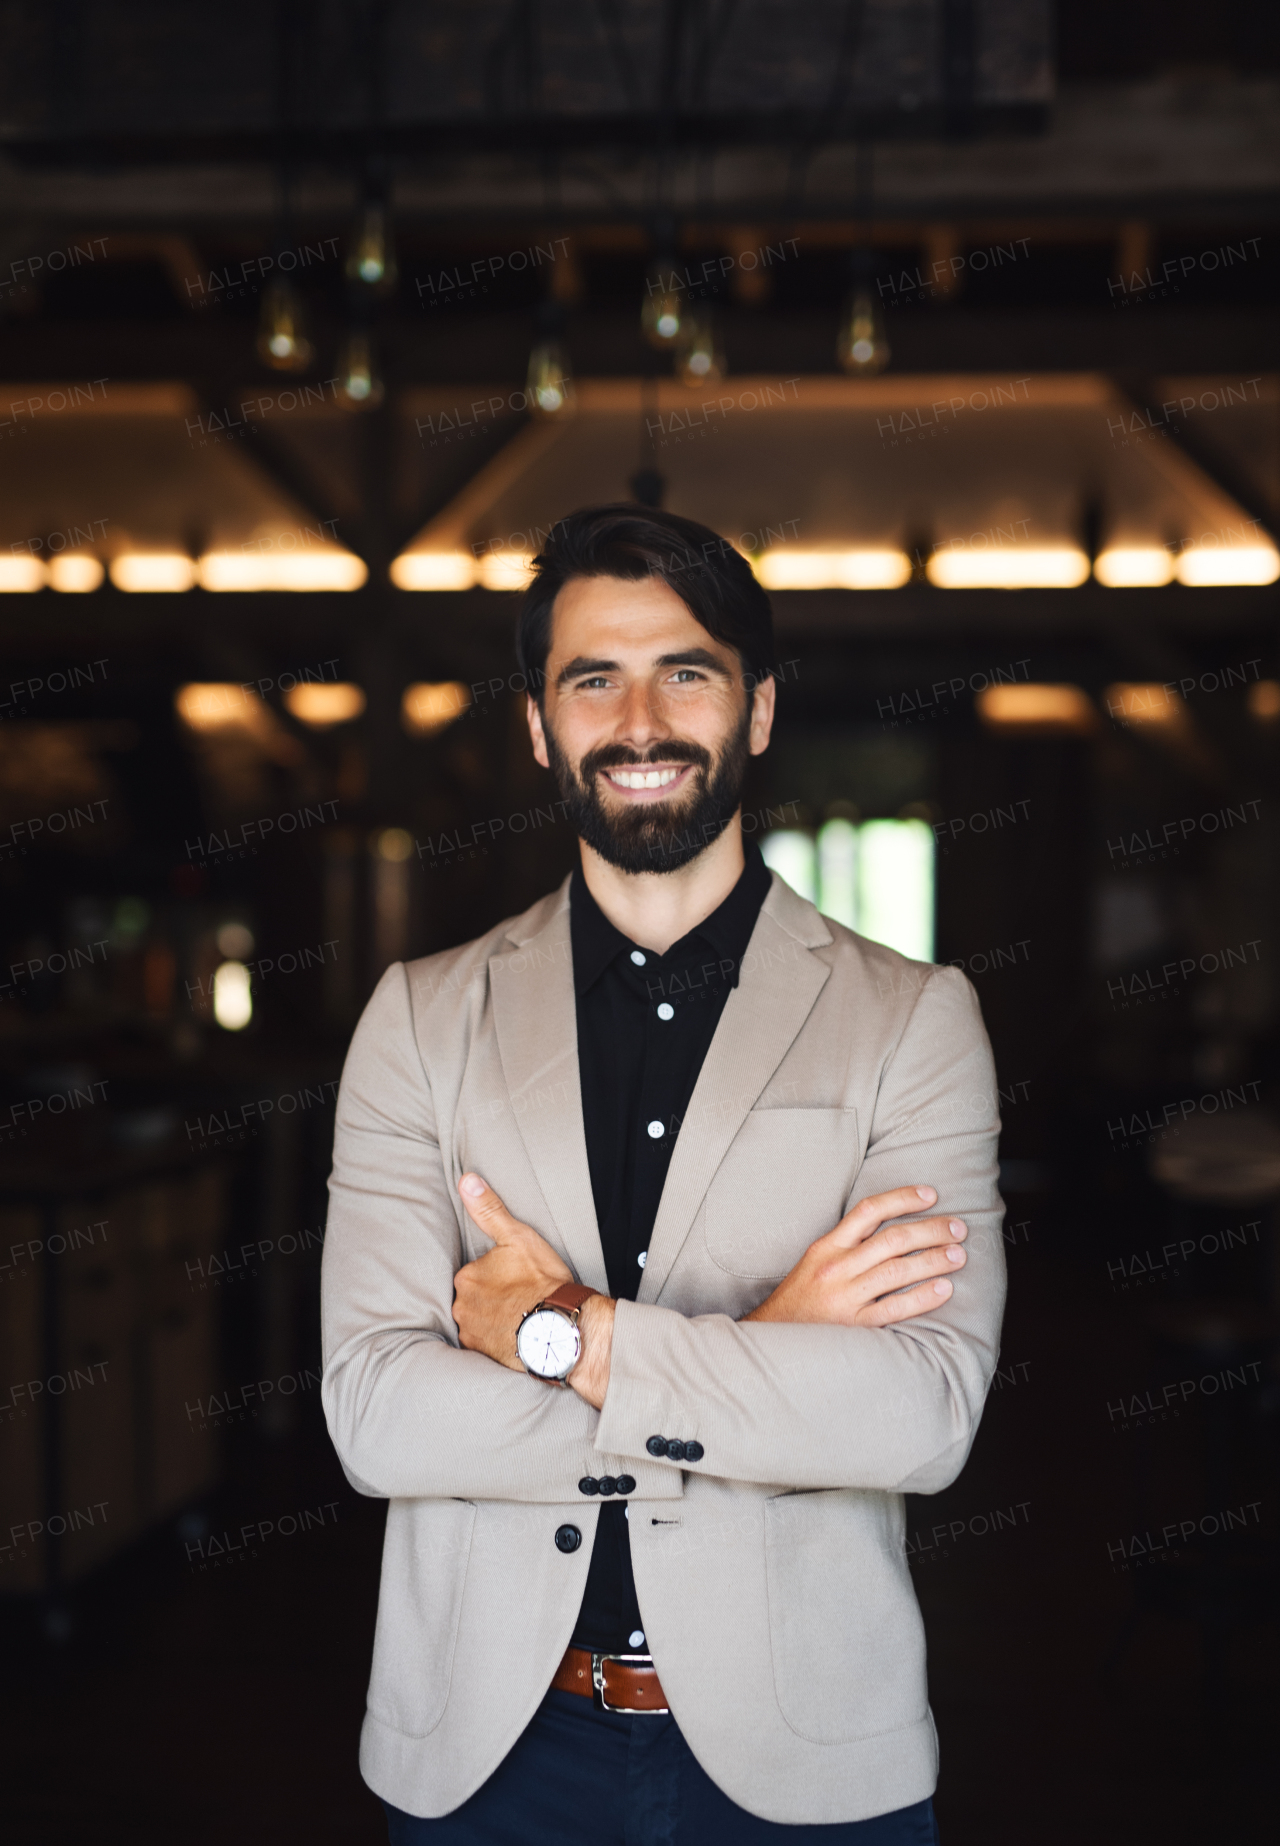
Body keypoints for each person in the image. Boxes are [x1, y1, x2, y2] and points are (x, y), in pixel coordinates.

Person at [321, 504, 1007, 1843]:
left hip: (810, 1757)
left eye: (686, 670)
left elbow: (922, 1415)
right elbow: (374, 1416)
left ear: (755, 710)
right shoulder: (415, 1017)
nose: (640, 720)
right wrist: (769, 1353)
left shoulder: (916, 1020)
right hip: (484, 1756)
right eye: (593, 678)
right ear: (539, 722)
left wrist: (553, 1333)